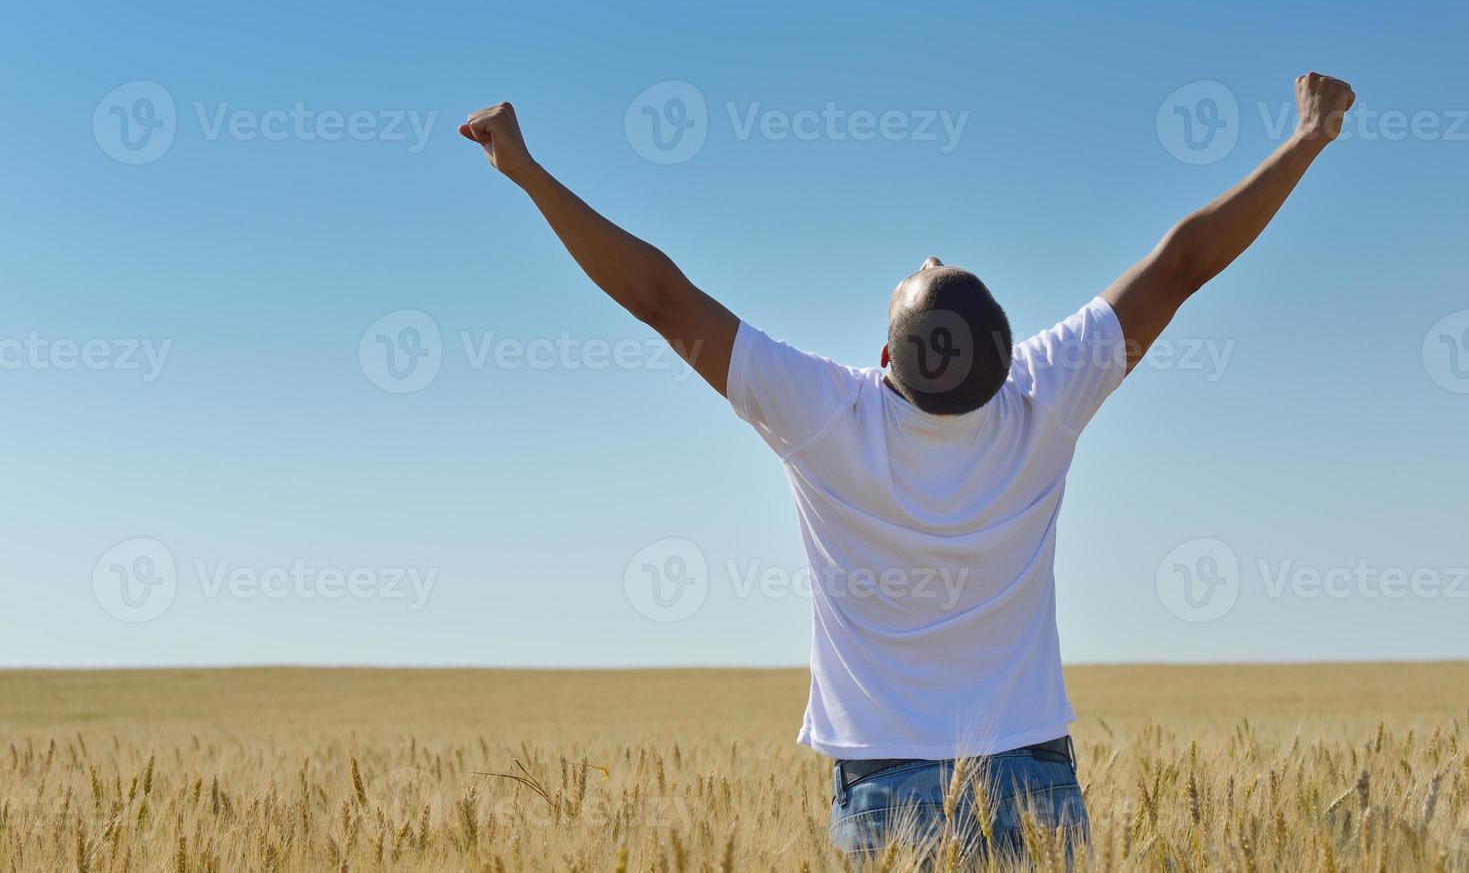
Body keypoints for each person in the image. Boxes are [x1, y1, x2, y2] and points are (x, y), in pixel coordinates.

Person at [458, 72, 1356, 863]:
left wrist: (528, 173)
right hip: (1032, 780)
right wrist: (1304, 139)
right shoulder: (1045, 396)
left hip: (887, 792)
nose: (927, 258)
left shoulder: (825, 413)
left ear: (884, 360)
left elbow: (661, 298)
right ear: (1006, 354)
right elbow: (1183, 264)